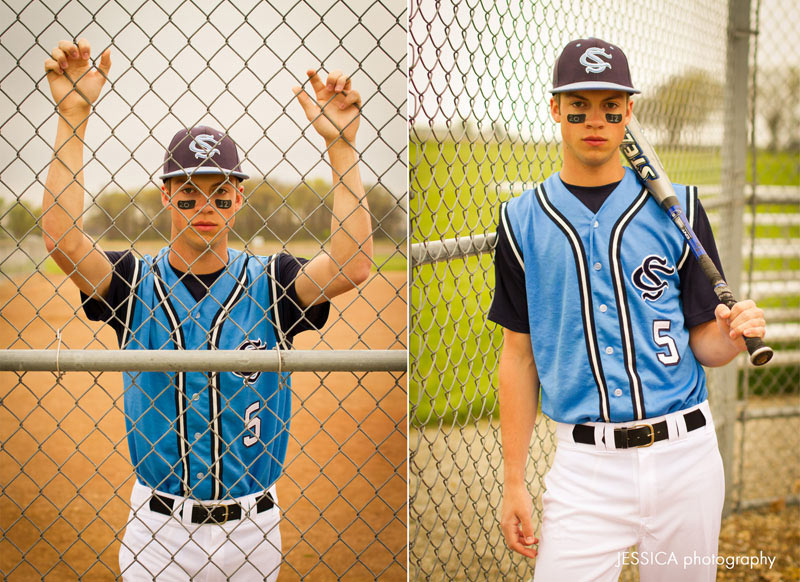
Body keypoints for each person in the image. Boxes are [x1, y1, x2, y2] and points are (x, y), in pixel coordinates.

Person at [41, 38, 372, 581]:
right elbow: (63, 244)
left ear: (239, 199)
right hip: (158, 529)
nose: (205, 206)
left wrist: (341, 146)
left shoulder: (274, 282)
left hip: (254, 529)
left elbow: (354, 263)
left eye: (221, 194)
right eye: (189, 193)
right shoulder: (133, 283)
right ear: (167, 196)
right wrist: (73, 115)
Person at [489, 37, 767, 582]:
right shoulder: (521, 220)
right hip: (586, 468)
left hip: (686, 454)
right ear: (555, 110)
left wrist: (732, 337)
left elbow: (704, 345)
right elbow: (518, 356)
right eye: (580, 107)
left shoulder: (679, 208)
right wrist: (514, 481)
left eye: (610, 107)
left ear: (628, 112)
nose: (596, 120)